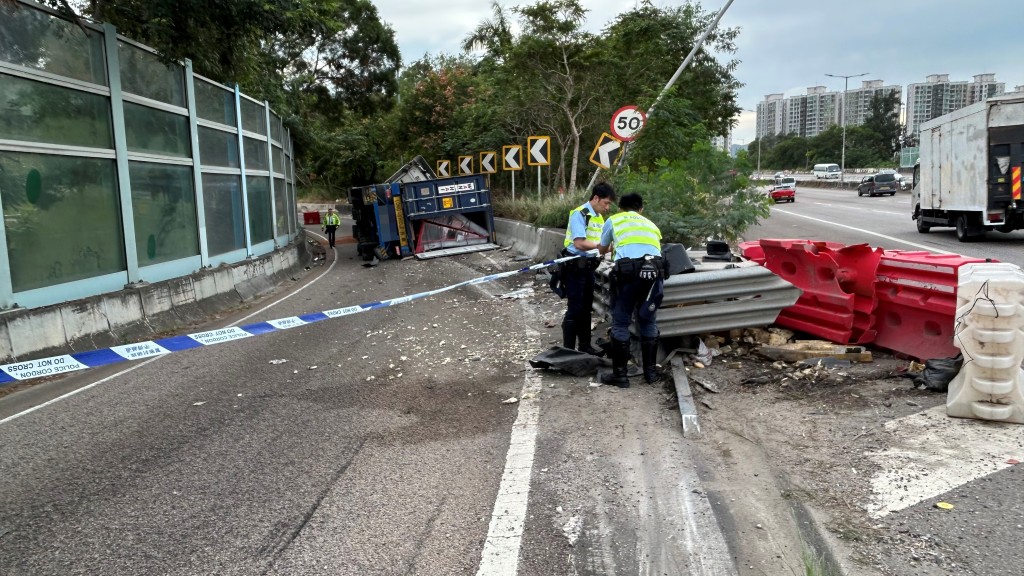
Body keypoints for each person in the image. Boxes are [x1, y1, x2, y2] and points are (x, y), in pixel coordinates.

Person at [597, 192, 664, 387]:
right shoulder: (652, 225)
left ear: (620, 208)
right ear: (641, 209)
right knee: (648, 320)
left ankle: (620, 376)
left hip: (628, 273)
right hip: (654, 273)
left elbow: (602, 249)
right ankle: (651, 374)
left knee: (621, 321)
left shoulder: (614, 220)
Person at [559, 182, 615, 356]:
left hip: (589, 268)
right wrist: (602, 247)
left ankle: (585, 347)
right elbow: (579, 243)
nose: (607, 207)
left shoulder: (598, 218)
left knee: (585, 308)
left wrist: (607, 247)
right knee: (575, 308)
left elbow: (602, 243)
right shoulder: (580, 214)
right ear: (596, 198)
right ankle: (568, 352)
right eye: (605, 203)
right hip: (574, 267)